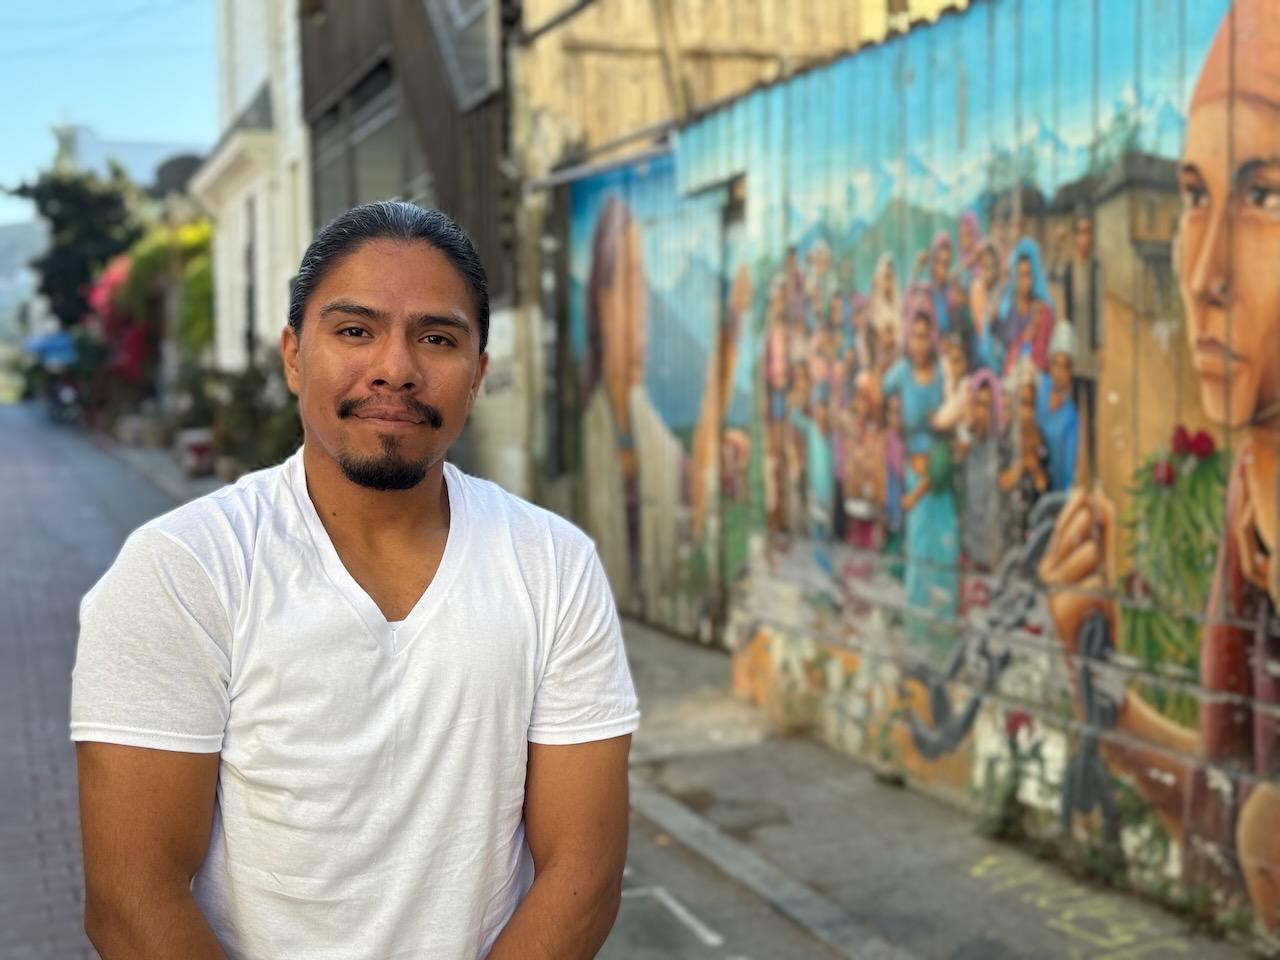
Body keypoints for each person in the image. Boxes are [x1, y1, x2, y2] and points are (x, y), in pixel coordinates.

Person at [71, 202, 640, 959]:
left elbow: (585, 873)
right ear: (293, 356)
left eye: (436, 338)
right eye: (354, 330)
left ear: (476, 376)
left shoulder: (553, 564)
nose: (395, 369)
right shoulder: (185, 567)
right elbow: (131, 901)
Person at [1040, 0, 1280, 928]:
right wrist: (1097, 682)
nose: (1205, 270)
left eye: (1265, 195)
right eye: (1194, 195)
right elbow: (1220, 818)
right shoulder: (1249, 503)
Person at [579, 197, 745, 621]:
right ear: (603, 297)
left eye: (645, 286)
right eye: (633, 282)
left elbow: (696, 486)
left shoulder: (642, 421)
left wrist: (732, 332)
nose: (644, 308)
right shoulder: (586, 431)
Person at [883, 304, 959, 646]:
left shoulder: (942, 375)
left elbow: (954, 409)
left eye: (924, 337)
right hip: (914, 476)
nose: (919, 343)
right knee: (919, 555)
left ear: (932, 339)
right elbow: (878, 399)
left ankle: (943, 634)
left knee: (944, 553)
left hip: (939, 478)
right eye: (914, 337)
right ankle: (916, 634)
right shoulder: (900, 373)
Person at [1050, 209, 1104, 483]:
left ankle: (1093, 472)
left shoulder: (1096, 270)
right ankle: (1071, 473)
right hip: (1072, 358)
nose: (1084, 238)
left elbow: (1098, 310)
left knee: (1091, 418)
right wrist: (1057, 245)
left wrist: (1101, 346)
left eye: (1088, 232)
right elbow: (1049, 275)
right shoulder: (1069, 269)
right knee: (1072, 418)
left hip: (1089, 358)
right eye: (1080, 232)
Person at [955, 371, 1005, 572]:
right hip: (967, 552)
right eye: (978, 404)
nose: (982, 412)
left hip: (995, 556)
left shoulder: (1002, 450)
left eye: (988, 406)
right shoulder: (964, 444)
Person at [997, 238, 1056, 377]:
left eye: (1028, 275)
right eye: (1020, 275)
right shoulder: (1006, 311)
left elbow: (1043, 358)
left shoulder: (1042, 311)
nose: (1025, 282)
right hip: (1009, 378)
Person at [1035, 322, 1079, 493]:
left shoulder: (1071, 417)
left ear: (1071, 371)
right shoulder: (1039, 387)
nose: (1059, 371)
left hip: (1050, 489)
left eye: (1065, 366)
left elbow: (1068, 469)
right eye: (1056, 363)